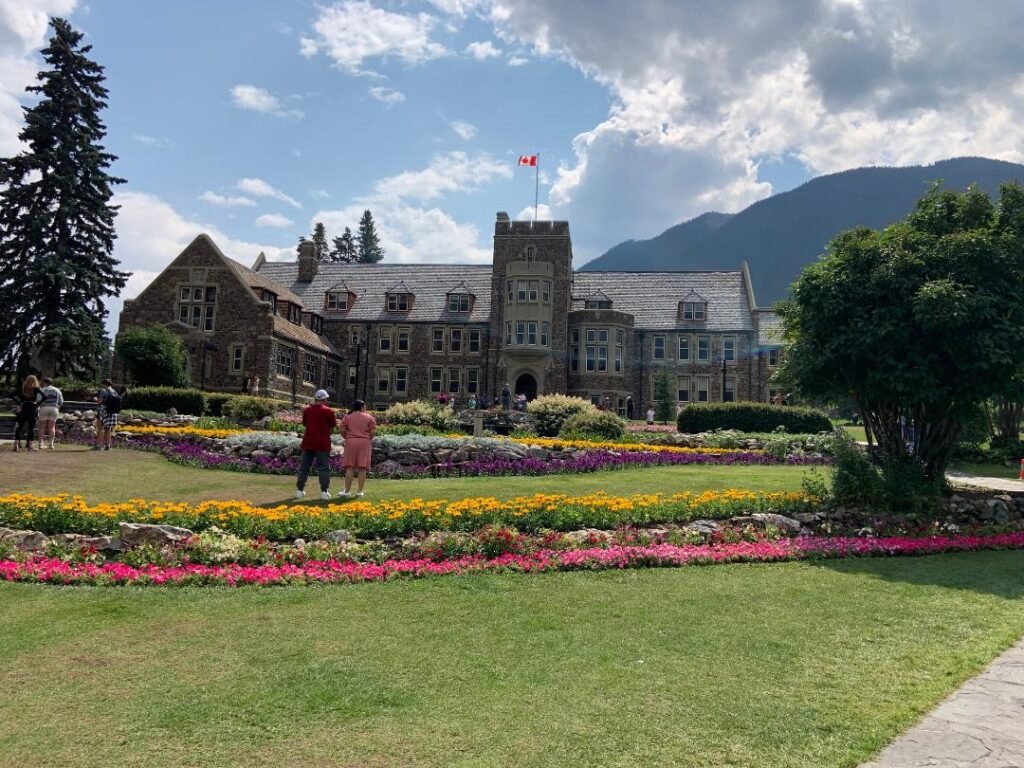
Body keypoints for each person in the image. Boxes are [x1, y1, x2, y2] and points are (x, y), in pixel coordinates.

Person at [295, 389, 338, 501]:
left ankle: (299, 490)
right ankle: (324, 491)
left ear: (315, 399)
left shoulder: (307, 411)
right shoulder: (329, 411)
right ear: (324, 399)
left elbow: (305, 424)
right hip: (322, 443)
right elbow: (332, 426)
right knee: (323, 468)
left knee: (304, 467)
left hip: (308, 442)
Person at [339, 398, 377, 498]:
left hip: (351, 442)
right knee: (362, 467)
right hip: (364, 442)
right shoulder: (369, 417)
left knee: (349, 467)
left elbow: (342, 430)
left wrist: (347, 437)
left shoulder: (348, 417)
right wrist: (368, 439)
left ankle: (346, 491)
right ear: (362, 407)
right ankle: (360, 491)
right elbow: (373, 431)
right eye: (365, 406)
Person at [12, 375, 41, 452]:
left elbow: (11, 395)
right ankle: (30, 446)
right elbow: (44, 397)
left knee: (19, 427)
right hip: (32, 408)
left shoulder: (22, 389)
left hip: (23, 407)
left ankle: (16, 444)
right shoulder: (36, 389)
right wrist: (37, 404)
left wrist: (19, 402)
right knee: (31, 428)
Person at [93, 379, 120, 451]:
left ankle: (99, 445)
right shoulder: (114, 391)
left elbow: (100, 401)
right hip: (112, 412)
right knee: (108, 429)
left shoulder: (103, 391)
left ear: (104, 384)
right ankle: (108, 445)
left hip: (103, 411)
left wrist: (95, 399)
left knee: (100, 428)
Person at [36, 377, 63, 450]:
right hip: (54, 408)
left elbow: (38, 400)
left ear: (45, 383)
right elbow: (61, 401)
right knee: (52, 427)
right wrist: (57, 407)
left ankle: (41, 444)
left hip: (44, 408)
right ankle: (51, 444)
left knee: (42, 427)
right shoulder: (57, 390)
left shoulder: (42, 390)